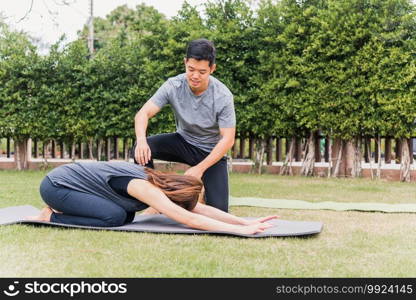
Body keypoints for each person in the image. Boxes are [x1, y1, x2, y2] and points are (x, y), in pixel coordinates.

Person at [27, 161, 277, 235]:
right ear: (174, 195)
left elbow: (199, 210)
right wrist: (238, 232)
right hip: (56, 185)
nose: (172, 209)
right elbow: (189, 218)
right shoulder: (145, 188)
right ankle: (50, 215)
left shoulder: (158, 181)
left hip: (72, 184)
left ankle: (57, 210)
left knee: (126, 215)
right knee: (114, 217)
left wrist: (244, 222)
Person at [133, 39, 235, 213]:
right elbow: (143, 114)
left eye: (202, 72)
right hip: (184, 142)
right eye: (191, 69)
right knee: (142, 147)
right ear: (185, 63)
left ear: (212, 69)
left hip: (210, 152)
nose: (195, 76)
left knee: (219, 211)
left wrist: (199, 169)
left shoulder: (223, 95)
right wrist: (141, 140)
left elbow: (228, 139)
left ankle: (199, 193)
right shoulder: (173, 85)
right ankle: (154, 197)